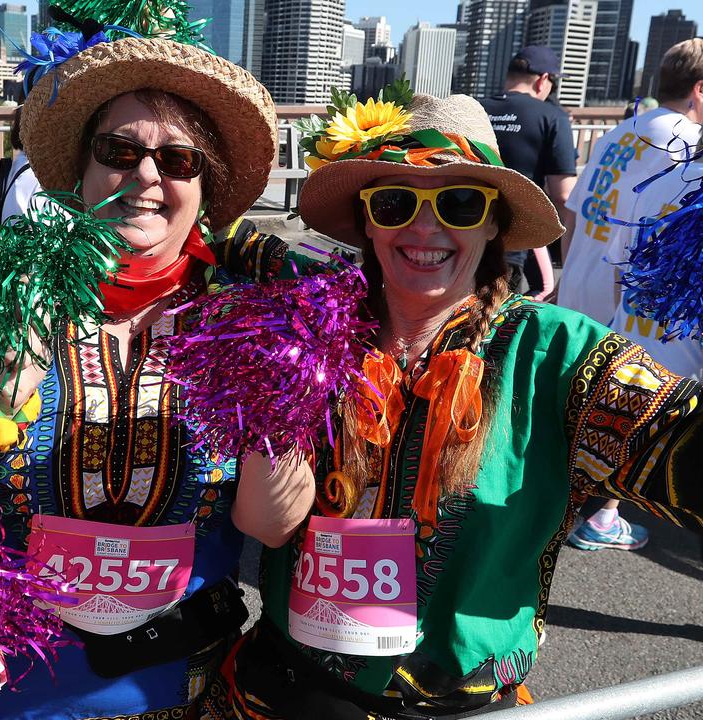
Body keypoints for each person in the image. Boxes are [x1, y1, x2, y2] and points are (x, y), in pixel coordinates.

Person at [215, 90, 703, 719]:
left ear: (495, 224)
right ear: (368, 221)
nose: (425, 228)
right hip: (283, 691)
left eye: (460, 203)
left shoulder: (554, 353)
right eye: (395, 203)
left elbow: (678, 449)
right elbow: (212, 240)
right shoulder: (309, 327)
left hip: (456, 704)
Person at [0, 12, 316, 719]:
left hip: (181, 689)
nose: (145, 175)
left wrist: (275, 390)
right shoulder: (0, 299)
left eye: (179, 160)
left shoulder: (249, 320)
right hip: (2, 690)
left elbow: (270, 526)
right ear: (81, 172)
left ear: (205, 189)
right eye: (120, 150)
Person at [558, 37, 703, 552]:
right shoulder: (686, 146)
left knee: (580, 405)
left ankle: (570, 502)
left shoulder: (622, 130)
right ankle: (599, 512)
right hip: (629, 290)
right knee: (627, 406)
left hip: (585, 278)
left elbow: (574, 210)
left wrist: (565, 274)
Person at [479, 46, 575, 301]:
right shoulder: (552, 116)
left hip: (464, 227)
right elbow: (564, 195)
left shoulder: (476, 109)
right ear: (544, 80)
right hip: (515, 240)